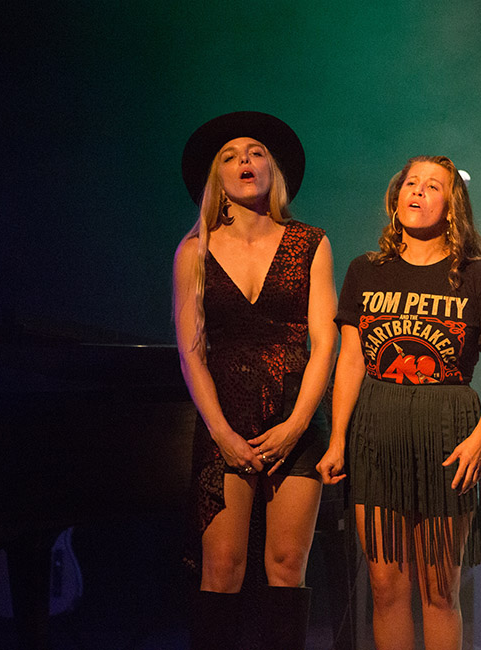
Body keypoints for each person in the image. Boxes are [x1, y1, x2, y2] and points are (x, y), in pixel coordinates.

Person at [317, 155, 481, 650]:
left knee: (439, 590)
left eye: (432, 186)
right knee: (385, 588)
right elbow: (351, 361)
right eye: (410, 183)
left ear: (452, 207)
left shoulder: (480, 277)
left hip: (448, 431)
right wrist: (337, 437)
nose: (417, 192)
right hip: (376, 429)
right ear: (396, 194)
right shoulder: (366, 270)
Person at [173, 111, 337, 650]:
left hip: (295, 416)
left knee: (287, 566)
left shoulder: (310, 241)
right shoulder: (193, 250)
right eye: (230, 155)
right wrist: (220, 433)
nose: (245, 160)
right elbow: (192, 354)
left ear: (274, 170)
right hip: (226, 421)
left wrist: (295, 427)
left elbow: (325, 344)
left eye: (256, 152)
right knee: (222, 569)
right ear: (215, 179)